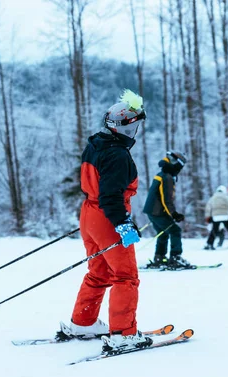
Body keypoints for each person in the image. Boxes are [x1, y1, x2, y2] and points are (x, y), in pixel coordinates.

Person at [57, 89, 153, 352]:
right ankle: (123, 333)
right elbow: (111, 195)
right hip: (108, 217)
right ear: (122, 128)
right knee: (126, 276)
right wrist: (122, 223)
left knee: (99, 272)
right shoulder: (118, 155)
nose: (135, 132)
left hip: (89, 214)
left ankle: (83, 322)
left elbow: (93, 186)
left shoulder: (96, 145)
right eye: (133, 127)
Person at [142, 151, 192, 270]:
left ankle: (159, 258)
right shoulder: (167, 177)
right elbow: (166, 199)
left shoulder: (162, 174)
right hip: (157, 211)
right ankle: (175, 258)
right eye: (181, 165)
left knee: (163, 233)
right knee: (175, 231)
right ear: (176, 164)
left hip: (152, 211)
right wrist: (174, 214)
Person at [204, 185, 228, 249]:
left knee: (214, 231)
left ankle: (209, 244)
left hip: (215, 217)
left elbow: (208, 208)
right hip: (225, 216)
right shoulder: (226, 197)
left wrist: (208, 217)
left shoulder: (213, 198)